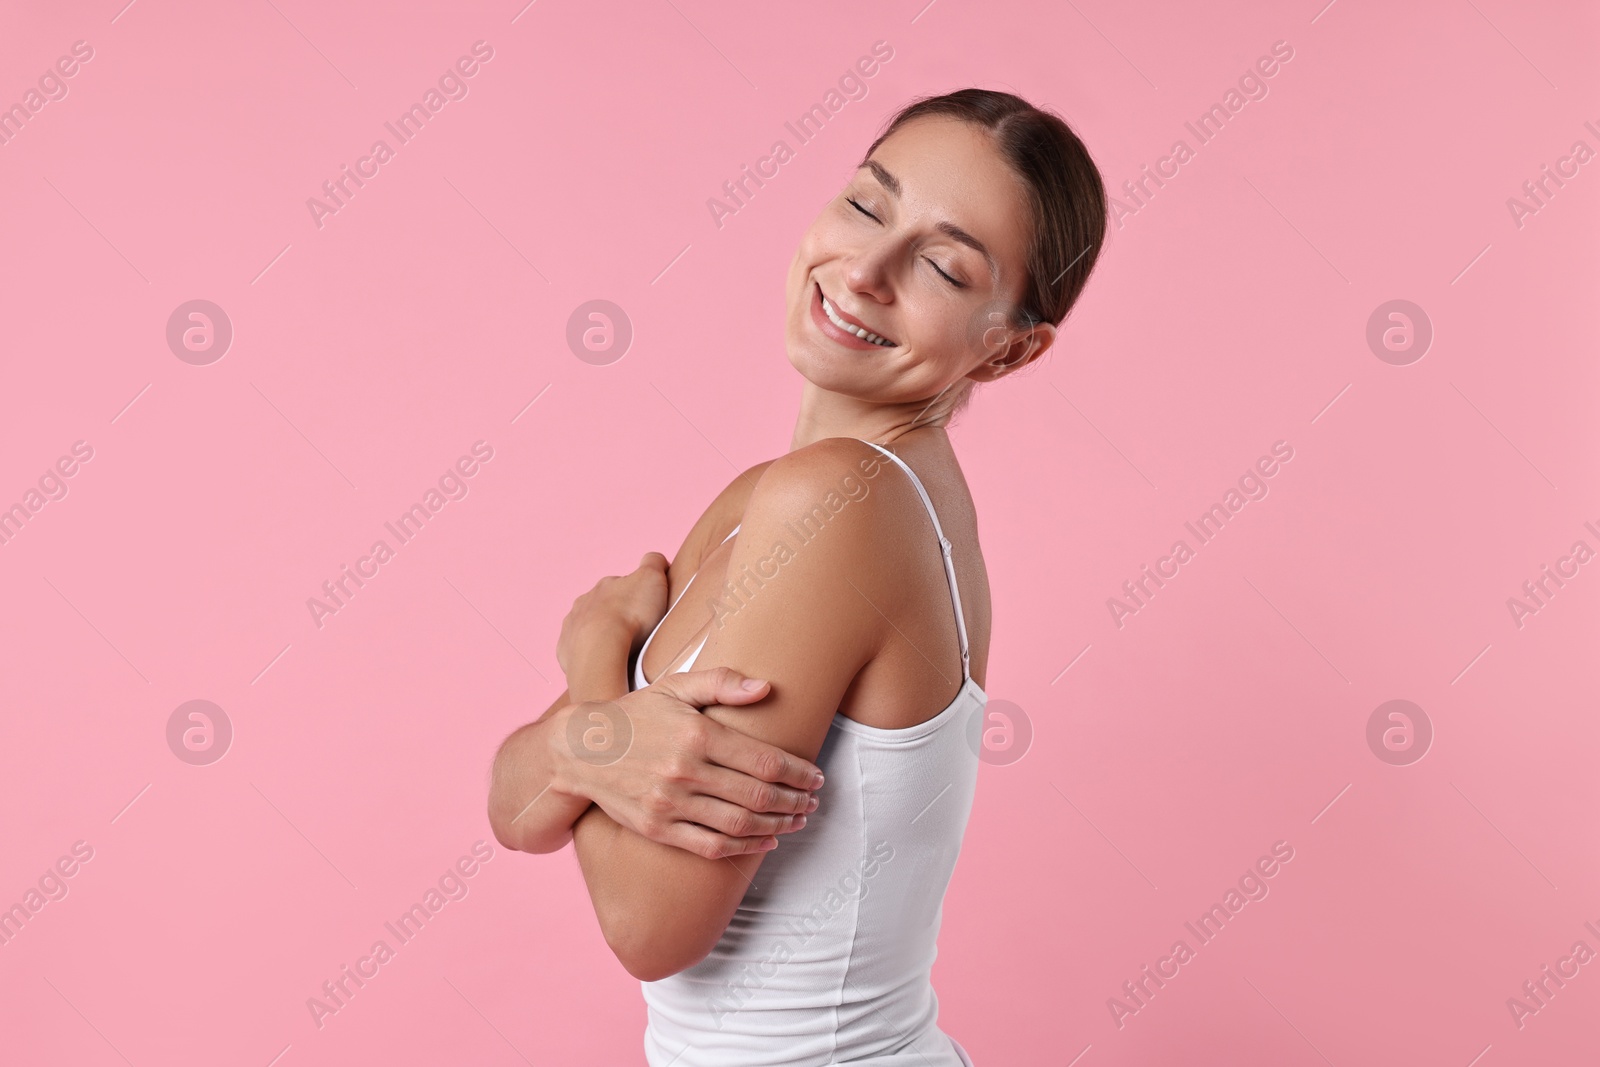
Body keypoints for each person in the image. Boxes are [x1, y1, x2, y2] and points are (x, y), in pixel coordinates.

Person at [487, 87, 1107, 1066]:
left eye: (942, 266)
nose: (864, 271)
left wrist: (594, 667)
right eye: (868, 204)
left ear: (1008, 346)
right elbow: (514, 806)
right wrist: (584, 743)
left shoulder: (845, 502)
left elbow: (652, 925)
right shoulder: (770, 496)